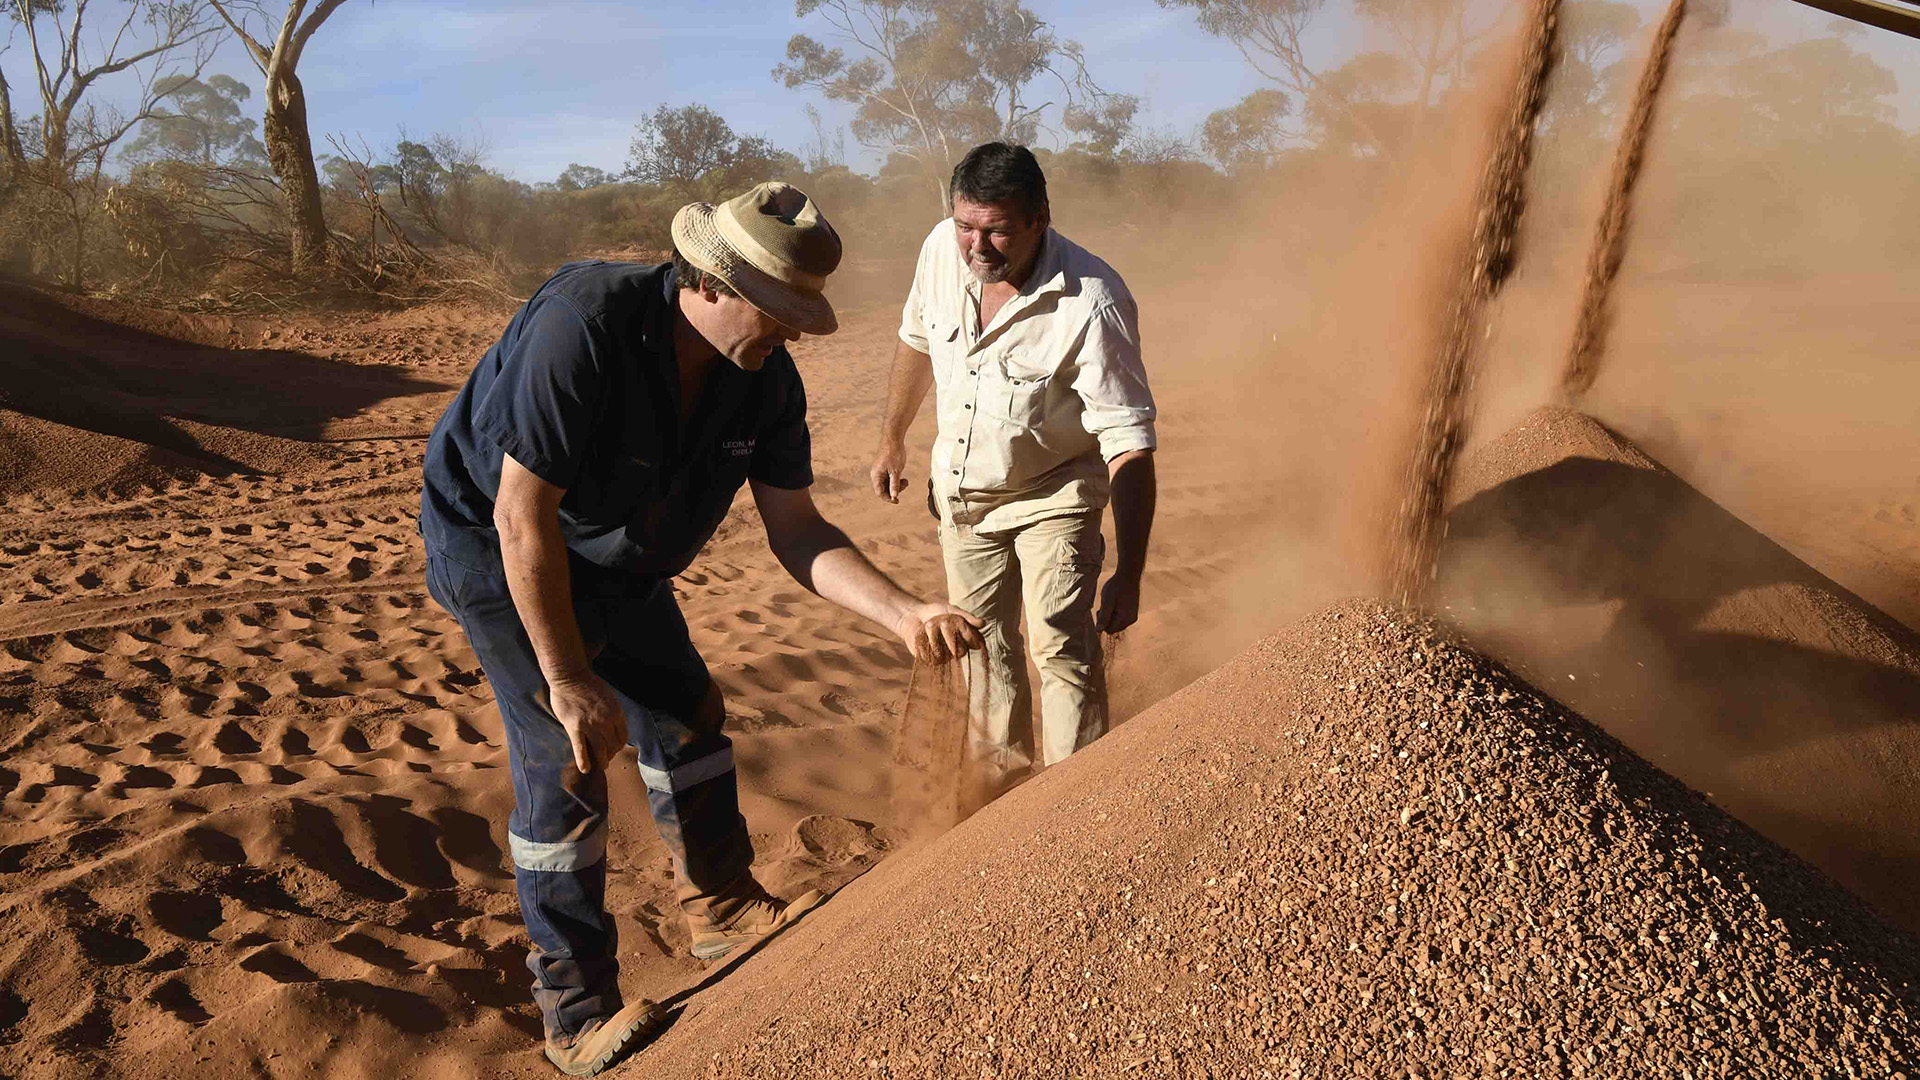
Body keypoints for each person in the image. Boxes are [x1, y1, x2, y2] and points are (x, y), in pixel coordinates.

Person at [420, 182, 982, 1077]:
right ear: (712, 284)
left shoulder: (763, 382)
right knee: (567, 753)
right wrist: (568, 679)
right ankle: (574, 1013)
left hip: (618, 550)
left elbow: (798, 532)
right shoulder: (585, 326)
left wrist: (905, 612)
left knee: (686, 707)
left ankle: (718, 906)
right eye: (779, 311)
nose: (791, 331)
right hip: (497, 547)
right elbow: (521, 519)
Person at [870, 142, 1158, 795]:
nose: (978, 245)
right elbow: (916, 338)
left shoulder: (1092, 301)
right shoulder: (941, 250)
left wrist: (1130, 574)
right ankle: (1002, 794)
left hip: (1055, 493)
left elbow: (1130, 444)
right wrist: (892, 437)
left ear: (1039, 218)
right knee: (981, 649)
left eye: (997, 228)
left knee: (1056, 640)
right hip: (964, 496)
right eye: (966, 225)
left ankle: (1070, 796)